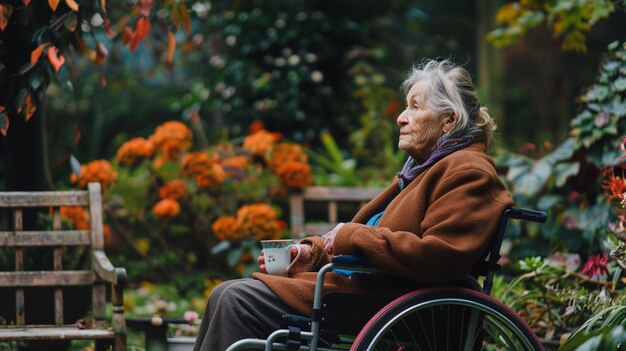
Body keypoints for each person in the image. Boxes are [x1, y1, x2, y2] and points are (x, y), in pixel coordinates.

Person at [193, 59, 513, 351]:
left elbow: (440, 257)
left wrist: (350, 236)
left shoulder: (468, 171)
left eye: (415, 108)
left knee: (234, 299)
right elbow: (372, 233)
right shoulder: (423, 171)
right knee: (228, 295)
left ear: (449, 121)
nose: (401, 118)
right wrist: (311, 253)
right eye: (405, 107)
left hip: (388, 300)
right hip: (366, 290)